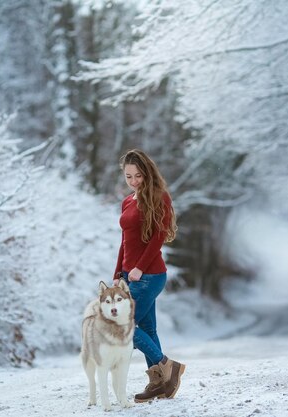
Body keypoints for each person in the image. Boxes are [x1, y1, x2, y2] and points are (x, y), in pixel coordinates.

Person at [113, 149, 186, 402]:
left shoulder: (159, 197)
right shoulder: (128, 201)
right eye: (128, 176)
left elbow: (157, 238)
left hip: (149, 276)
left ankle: (167, 366)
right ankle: (160, 384)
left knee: (122, 327)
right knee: (147, 328)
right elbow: (125, 241)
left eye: (138, 176)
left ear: (147, 173)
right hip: (129, 275)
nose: (133, 181)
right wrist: (117, 273)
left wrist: (139, 268)